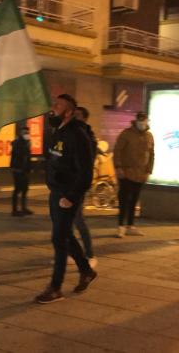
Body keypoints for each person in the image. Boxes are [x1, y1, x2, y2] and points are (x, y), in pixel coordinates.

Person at [35, 94, 97, 304]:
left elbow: (86, 173)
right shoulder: (57, 131)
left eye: (58, 105)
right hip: (56, 193)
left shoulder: (78, 135)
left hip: (67, 195)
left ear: (69, 111)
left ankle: (55, 287)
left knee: (59, 239)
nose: (53, 108)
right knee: (65, 237)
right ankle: (86, 271)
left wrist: (71, 197)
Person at [113, 112, 154, 238]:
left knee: (134, 200)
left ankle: (131, 225)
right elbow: (117, 151)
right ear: (136, 121)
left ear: (147, 121)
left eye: (144, 120)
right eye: (140, 120)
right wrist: (118, 167)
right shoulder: (126, 134)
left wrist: (149, 170)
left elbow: (152, 154)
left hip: (141, 174)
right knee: (124, 200)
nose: (142, 123)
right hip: (126, 173)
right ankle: (121, 226)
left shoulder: (149, 136)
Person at [72, 106, 98, 268]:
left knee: (78, 219)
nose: (74, 118)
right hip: (66, 183)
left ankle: (89, 254)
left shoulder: (89, 138)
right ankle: (71, 253)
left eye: (78, 116)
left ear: (85, 119)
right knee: (65, 223)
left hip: (78, 184)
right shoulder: (70, 134)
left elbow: (87, 164)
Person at [10, 126, 33, 217]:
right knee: (17, 189)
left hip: (25, 169)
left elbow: (27, 157)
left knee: (25, 189)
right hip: (18, 169)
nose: (26, 134)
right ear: (20, 133)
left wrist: (29, 168)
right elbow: (17, 156)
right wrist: (17, 168)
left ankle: (24, 207)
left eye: (27, 133)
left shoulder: (27, 142)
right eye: (24, 133)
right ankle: (14, 210)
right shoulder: (17, 143)